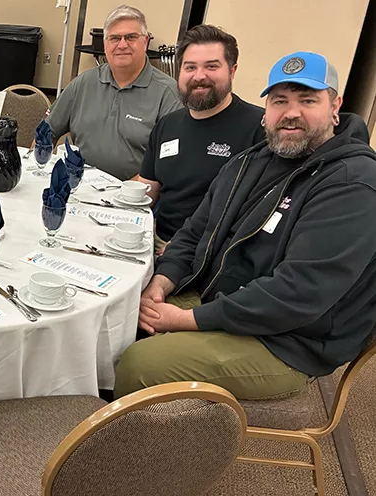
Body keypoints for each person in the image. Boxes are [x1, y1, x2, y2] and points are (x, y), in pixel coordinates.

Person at [114, 51, 376, 400]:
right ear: (267, 108)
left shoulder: (353, 183)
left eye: (308, 100)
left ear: (335, 106)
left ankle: (135, 449)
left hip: (288, 342)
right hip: (220, 299)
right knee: (113, 320)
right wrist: (160, 284)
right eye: (280, 100)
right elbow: (194, 231)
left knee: (139, 364)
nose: (292, 112)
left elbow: (298, 293)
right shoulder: (251, 162)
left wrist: (181, 321)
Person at [133, 25, 265, 254]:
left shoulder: (259, 129)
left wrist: (187, 248)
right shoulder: (168, 124)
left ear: (232, 71)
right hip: (155, 242)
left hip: (214, 252)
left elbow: (259, 212)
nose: (199, 76)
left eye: (211, 66)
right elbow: (148, 188)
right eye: (190, 67)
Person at [46, 4, 181, 180]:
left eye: (131, 37)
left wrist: (121, 195)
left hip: (130, 197)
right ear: (105, 44)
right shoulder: (83, 83)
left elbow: (168, 165)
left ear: (145, 42)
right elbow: (47, 133)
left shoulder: (168, 94)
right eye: (114, 38)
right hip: (77, 187)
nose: (122, 45)